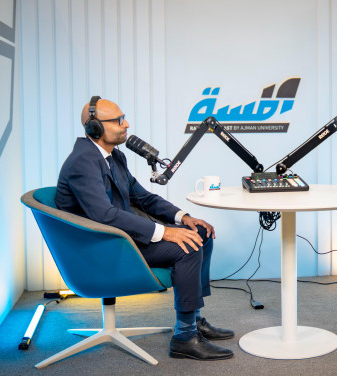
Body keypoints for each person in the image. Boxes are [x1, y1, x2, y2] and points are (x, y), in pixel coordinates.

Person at [55, 96, 234, 361]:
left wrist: (183, 217)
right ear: (95, 128)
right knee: (187, 247)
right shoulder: (83, 161)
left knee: (201, 234)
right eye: (118, 121)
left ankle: (194, 319)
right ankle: (185, 338)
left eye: (124, 118)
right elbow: (104, 215)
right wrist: (165, 232)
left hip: (120, 239)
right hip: (100, 249)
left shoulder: (114, 157)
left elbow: (142, 197)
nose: (126, 124)